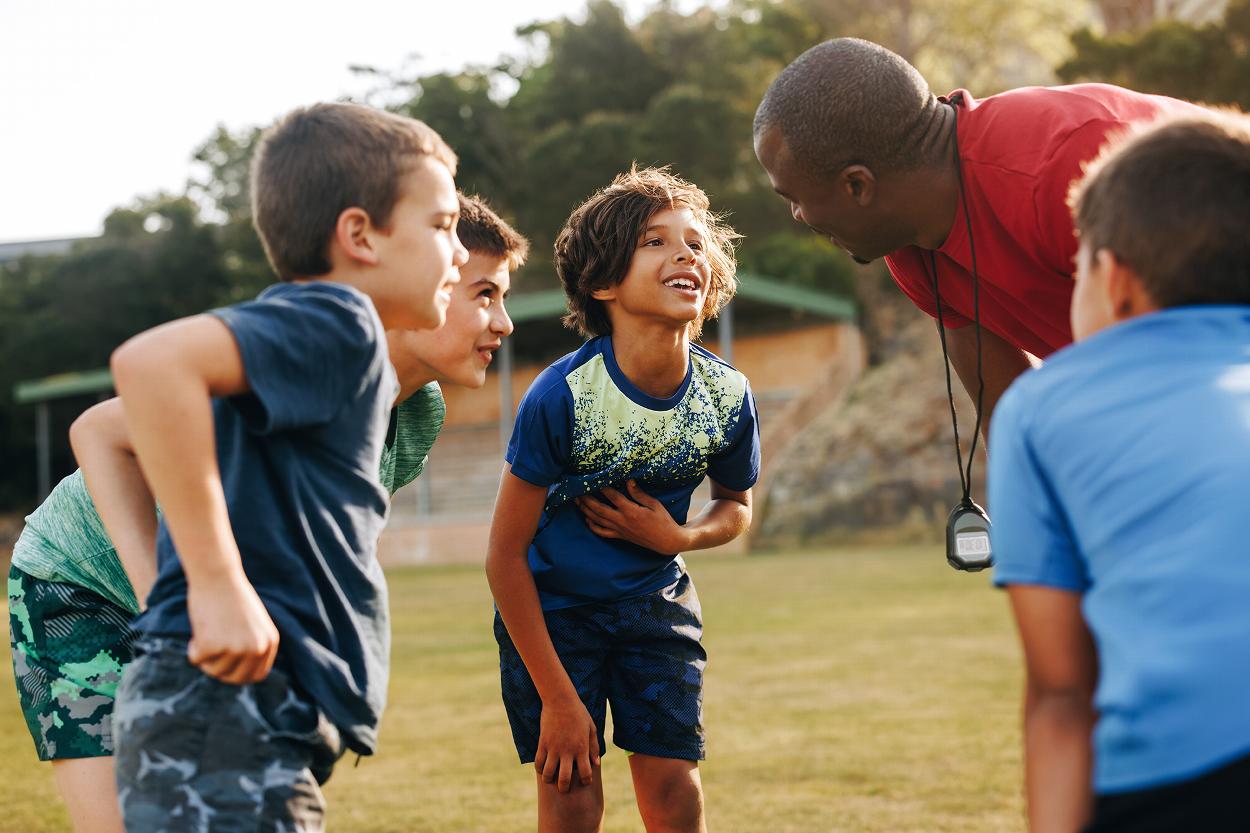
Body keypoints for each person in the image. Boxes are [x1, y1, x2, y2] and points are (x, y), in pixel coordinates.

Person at [6, 190, 526, 833]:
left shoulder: (419, 415)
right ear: (425, 281)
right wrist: (171, 609)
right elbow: (98, 433)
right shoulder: (294, 363)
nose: (503, 322)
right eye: (481, 293)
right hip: (77, 584)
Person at [104, 101, 465, 832]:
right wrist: (214, 584)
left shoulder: (309, 343)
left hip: (229, 717)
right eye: (442, 225)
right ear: (360, 234)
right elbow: (148, 363)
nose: (459, 252)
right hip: (224, 711)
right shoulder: (340, 320)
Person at [989, 111, 1250, 832]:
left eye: (1077, 270)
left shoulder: (1042, 405)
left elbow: (1062, 694)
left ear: (1115, 281)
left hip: (1192, 776)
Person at [485, 167, 761, 833]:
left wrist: (679, 538)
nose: (685, 254)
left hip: (656, 606)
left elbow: (736, 506)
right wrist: (556, 696)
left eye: (695, 243)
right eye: (656, 241)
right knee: (573, 794)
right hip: (556, 617)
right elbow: (503, 556)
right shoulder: (561, 395)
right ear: (604, 282)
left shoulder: (727, 395)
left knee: (674, 789)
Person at [753, 37, 1206, 438]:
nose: (797, 215)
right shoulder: (913, 250)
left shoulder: (1068, 173)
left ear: (858, 186)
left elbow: (1207, 364)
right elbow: (1011, 421)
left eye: (794, 197)